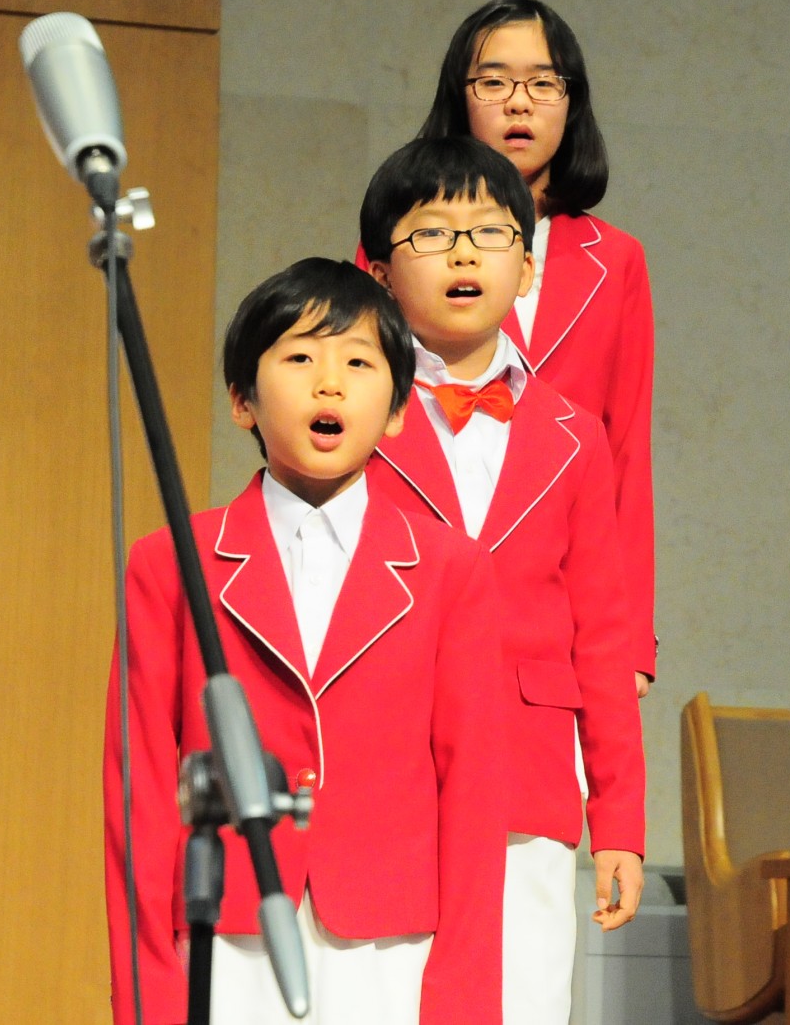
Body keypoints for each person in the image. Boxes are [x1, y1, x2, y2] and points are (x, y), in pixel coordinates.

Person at [105, 258, 507, 1025]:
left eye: (359, 363)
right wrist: (146, 996)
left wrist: (462, 1001)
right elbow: (140, 789)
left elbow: (475, 793)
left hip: (392, 946)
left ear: (395, 410)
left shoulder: (452, 570)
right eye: (298, 357)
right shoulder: (170, 564)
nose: (330, 384)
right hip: (226, 934)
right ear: (241, 400)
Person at [360, 136, 644, 1024]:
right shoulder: (350, 414)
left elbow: (603, 633)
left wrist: (622, 821)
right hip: (390, 769)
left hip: (529, 771)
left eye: (488, 234)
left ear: (527, 270)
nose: (462, 253)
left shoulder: (573, 433)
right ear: (377, 272)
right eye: (433, 234)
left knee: (522, 999)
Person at [404, 0, 657, 693]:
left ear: (571, 104)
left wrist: (633, 638)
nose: (520, 103)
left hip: (563, 594)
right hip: (424, 579)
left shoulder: (618, 260)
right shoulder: (399, 238)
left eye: (543, 83)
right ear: (460, 100)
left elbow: (627, 450)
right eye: (493, 81)